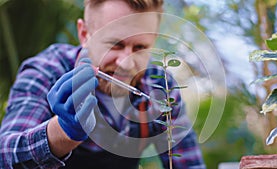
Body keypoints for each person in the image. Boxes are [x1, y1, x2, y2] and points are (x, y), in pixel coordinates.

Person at [0, 0, 206, 168]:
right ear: (84, 35)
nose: (126, 63)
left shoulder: (160, 88)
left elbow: (189, 163)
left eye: (140, 47)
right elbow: (4, 155)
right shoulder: (47, 70)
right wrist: (61, 132)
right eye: (116, 45)